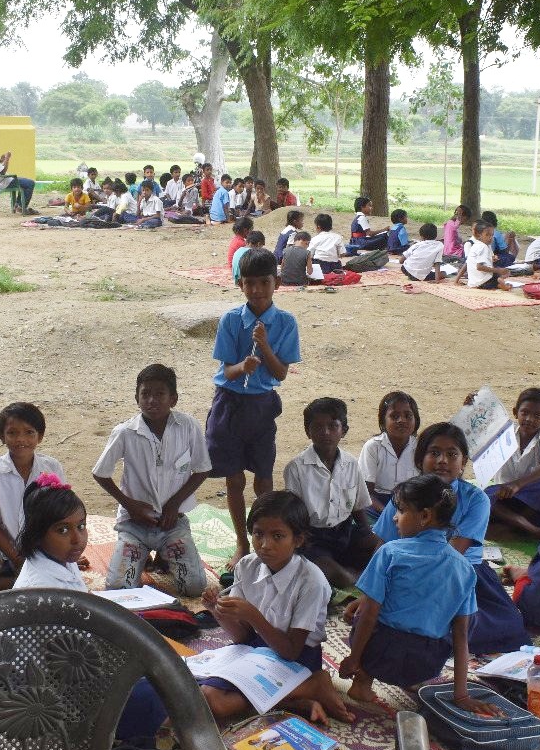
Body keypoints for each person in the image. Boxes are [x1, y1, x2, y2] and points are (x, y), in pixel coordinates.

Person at [11, 476, 170, 740]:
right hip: (51, 693)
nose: (77, 539)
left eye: (81, 526)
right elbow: (73, 665)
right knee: (151, 689)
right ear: (38, 533)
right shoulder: (43, 591)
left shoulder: (59, 558)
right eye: (62, 530)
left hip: (68, 665)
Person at [339, 475, 499, 715]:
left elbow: (369, 615)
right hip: (427, 663)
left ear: (424, 516)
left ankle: (362, 683)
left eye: (401, 511)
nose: (395, 518)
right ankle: (411, 681)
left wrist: (353, 659)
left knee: (362, 610)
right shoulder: (464, 568)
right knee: (448, 623)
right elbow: (461, 633)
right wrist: (462, 695)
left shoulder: (390, 553)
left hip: (380, 655)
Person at [370, 422, 527, 654]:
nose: (442, 460)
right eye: (434, 453)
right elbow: (383, 544)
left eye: (452, 454)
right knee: (373, 617)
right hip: (409, 572)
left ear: (463, 463)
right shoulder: (405, 494)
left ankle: (431, 635)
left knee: (509, 627)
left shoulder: (475, 499)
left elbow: (453, 555)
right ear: (419, 460)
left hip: (459, 573)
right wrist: (374, 592)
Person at [199, 491, 352, 726]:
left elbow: (291, 650)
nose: (265, 545)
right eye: (258, 534)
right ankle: (297, 698)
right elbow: (242, 636)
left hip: (298, 657)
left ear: (298, 540)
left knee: (217, 702)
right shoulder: (247, 566)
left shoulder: (311, 581)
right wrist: (218, 611)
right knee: (200, 692)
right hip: (257, 647)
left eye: (278, 536)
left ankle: (312, 683)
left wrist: (253, 615)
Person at [206, 248, 302, 567]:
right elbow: (225, 371)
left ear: (276, 283)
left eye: (264, 282)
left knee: (263, 479)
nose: (257, 290)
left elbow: (280, 373)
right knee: (234, 480)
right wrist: (241, 367)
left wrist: (264, 346)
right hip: (229, 407)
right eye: (249, 283)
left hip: (262, 407)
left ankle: (264, 539)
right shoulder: (232, 320)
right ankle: (241, 544)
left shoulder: (285, 323)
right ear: (239, 284)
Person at [94, 364, 211, 596]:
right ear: (136, 398)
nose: (151, 400)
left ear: (173, 399)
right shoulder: (125, 432)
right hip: (134, 526)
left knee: (195, 587)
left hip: (173, 524)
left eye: (160, 394)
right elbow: (100, 473)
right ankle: (144, 552)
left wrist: (174, 504)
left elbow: (202, 469)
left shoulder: (188, 426)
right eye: (145, 394)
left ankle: (165, 555)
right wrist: (131, 506)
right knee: (119, 588)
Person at [283, 397, 380, 589]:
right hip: (313, 538)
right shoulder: (296, 468)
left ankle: (351, 571)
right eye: (317, 426)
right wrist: (302, 540)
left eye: (332, 426)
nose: (325, 432)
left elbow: (358, 505)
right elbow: (293, 514)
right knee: (336, 576)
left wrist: (366, 533)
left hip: (344, 532)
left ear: (343, 430)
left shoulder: (351, 463)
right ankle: (351, 575)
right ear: (307, 431)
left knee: (384, 550)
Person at [0, 402, 67, 586]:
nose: (20, 439)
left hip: (40, 548)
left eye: (29, 432)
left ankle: (15, 581)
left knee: (61, 580)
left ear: (40, 436)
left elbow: (60, 514)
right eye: (12, 433)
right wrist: (17, 558)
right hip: (0, 547)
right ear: (2, 436)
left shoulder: (52, 468)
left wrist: (62, 551)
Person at [479, 387, 540, 540]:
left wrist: (518, 485)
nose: (529, 419)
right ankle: (534, 531)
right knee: (484, 497)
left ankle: (513, 528)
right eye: (524, 413)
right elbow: (477, 423)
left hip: (531, 503)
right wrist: (471, 405)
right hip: (503, 499)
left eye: (537, 415)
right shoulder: (504, 431)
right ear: (515, 412)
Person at [358, 390, 419, 519]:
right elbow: (366, 492)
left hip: (412, 502)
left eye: (408, 416)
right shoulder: (373, 447)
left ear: (416, 420)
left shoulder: (421, 447)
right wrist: (386, 512)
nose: (402, 420)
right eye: (394, 416)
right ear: (383, 422)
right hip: (378, 502)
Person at [456, 218, 512, 291]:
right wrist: (498, 270)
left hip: (474, 282)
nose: (490, 238)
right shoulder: (482, 247)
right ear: (479, 235)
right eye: (487, 235)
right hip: (482, 281)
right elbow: (479, 267)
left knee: (497, 272)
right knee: (499, 272)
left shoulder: (478, 245)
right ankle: (500, 282)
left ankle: (498, 283)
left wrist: (492, 259)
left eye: (492, 235)